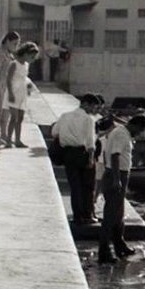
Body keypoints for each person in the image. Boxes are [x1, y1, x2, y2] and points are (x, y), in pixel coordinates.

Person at [98, 114, 145, 264]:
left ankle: (119, 244)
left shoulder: (121, 132)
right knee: (110, 216)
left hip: (119, 174)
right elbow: (115, 156)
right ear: (135, 125)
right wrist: (116, 180)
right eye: (141, 130)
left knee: (119, 214)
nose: (140, 133)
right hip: (116, 175)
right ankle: (104, 252)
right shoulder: (121, 134)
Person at [52, 93, 102, 225]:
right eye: (92, 106)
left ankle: (77, 216)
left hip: (68, 154)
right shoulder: (88, 119)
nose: (93, 110)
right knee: (88, 186)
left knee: (75, 186)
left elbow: (54, 132)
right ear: (86, 104)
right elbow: (91, 142)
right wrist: (91, 159)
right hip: (83, 153)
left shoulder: (64, 116)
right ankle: (87, 215)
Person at [5, 41, 40, 148]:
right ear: (25, 54)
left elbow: (25, 78)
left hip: (22, 93)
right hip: (13, 92)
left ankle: (18, 140)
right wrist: (10, 93)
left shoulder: (26, 65)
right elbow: (8, 80)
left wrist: (29, 88)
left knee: (20, 118)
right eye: (32, 56)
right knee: (14, 117)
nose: (33, 59)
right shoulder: (14, 64)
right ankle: (8, 140)